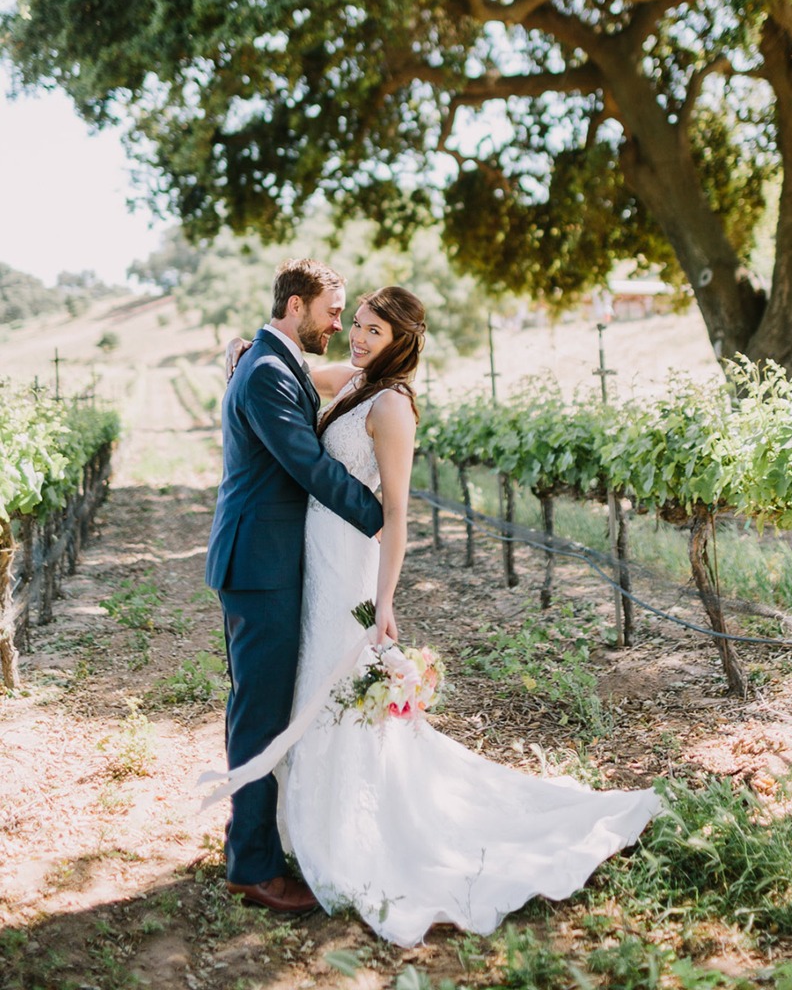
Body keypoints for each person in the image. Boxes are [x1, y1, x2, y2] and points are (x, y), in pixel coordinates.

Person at [220, 284, 662, 947]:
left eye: (374, 330)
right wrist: (244, 347)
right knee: (311, 688)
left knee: (340, 693)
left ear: (405, 339)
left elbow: (395, 514)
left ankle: (354, 834)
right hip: (309, 560)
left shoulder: (393, 404)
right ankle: (298, 828)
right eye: (357, 325)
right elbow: (294, 371)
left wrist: (386, 603)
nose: (359, 337)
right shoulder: (355, 378)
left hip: (346, 561)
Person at [205, 258, 384, 915]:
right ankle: (252, 866)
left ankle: (262, 843)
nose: (339, 324)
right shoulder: (267, 373)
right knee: (258, 717)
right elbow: (307, 466)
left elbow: (336, 377)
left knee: (268, 709)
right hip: (259, 567)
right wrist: (381, 518)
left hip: (273, 562)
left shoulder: (275, 361)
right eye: (332, 311)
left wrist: (385, 366)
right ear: (296, 306)